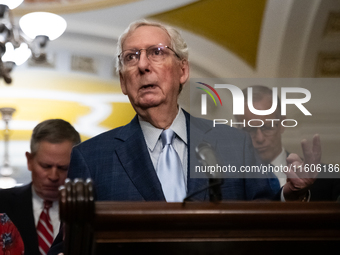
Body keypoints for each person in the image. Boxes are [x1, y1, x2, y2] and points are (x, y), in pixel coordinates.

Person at [47, 20, 320, 255]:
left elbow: (268, 220)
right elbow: (68, 244)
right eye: (131, 57)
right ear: (122, 82)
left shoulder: (235, 143)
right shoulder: (91, 157)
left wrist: (292, 195)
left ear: (183, 71)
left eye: (156, 52)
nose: (142, 65)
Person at [236, 85, 340, 200]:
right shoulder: (227, 181)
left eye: (267, 127)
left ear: (282, 124)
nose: (260, 139)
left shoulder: (328, 178)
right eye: (250, 129)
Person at [0, 119, 81, 255]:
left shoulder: (86, 211)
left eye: (63, 168)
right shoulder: (1, 202)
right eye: (46, 166)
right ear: (29, 161)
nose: (53, 176)